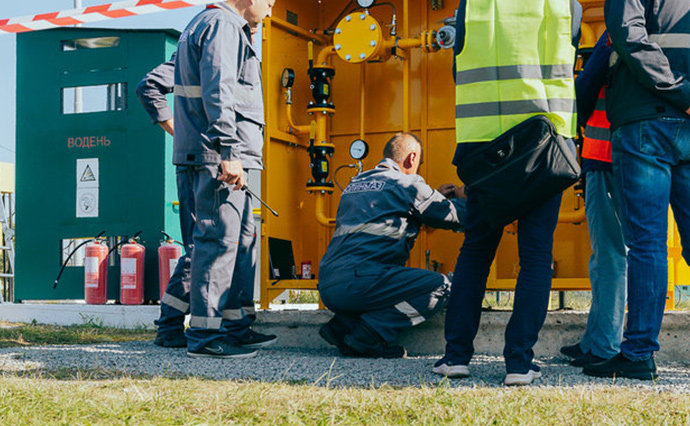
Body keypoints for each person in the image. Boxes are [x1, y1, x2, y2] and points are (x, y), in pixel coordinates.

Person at [436, 0, 581, 386]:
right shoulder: (567, 6)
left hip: (487, 152)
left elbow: (459, 69)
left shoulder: (474, 6)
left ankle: (455, 358)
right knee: (536, 256)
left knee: (476, 250)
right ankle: (519, 363)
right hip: (541, 151)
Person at [136, 24, 262, 349]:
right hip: (207, 159)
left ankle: (217, 326)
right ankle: (175, 327)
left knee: (224, 243)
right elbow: (149, 86)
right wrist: (181, 131)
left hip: (209, 157)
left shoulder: (217, 42)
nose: (271, 7)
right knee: (206, 247)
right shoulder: (213, 38)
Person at [583, 0, 690, 380]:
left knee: (647, 244)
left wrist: (679, 90)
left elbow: (626, 36)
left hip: (645, 119)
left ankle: (639, 352)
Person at [174, 0, 276, 359]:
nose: (271, 11)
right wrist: (229, 150)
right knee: (218, 243)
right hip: (220, 157)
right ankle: (204, 337)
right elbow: (220, 90)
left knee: (239, 240)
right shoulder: (223, 25)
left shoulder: (203, 23)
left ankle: (234, 327)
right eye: (269, 2)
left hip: (208, 152)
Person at [318, 133, 467, 358]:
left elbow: (390, 211)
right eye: (419, 164)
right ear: (412, 158)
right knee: (442, 287)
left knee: (383, 285)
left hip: (329, 286)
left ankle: (343, 325)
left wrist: (432, 196)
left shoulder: (355, 184)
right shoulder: (408, 183)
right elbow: (456, 216)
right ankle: (368, 335)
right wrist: (463, 197)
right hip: (361, 283)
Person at [560, 31, 627, 368]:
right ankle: (596, 339)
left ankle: (604, 345)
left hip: (605, 156)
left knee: (611, 257)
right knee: (607, 257)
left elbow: (584, 91)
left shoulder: (618, 26)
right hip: (623, 157)